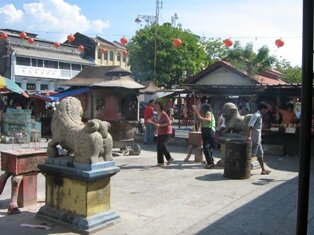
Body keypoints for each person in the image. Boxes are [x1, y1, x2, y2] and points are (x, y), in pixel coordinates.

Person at [247, 101, 271, 175]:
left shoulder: (259, 116)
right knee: (251, 155)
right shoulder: (256, 115)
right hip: (254, 138)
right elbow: (250, 126)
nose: (266, 111)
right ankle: (247, 171)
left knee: (260, 154)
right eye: (266, 110)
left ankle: (263, 170)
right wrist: (249, 137)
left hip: (258, 139)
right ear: (263, 108)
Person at [193, 103, 216, 169]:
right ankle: (210, 161)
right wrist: (198, 114)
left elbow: (209, 119)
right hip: (206, 130)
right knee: (207, 147)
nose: (201, 109)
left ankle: (210, 163)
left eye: (202, 108)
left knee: (206, 147)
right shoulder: (205, 114)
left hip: (209, 130)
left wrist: (200, 117)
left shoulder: (209, 113)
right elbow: (200, 119)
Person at [153, 100, 174, 167]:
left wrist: (160, 125)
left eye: (157, 105)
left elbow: (169, 123)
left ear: (160, 106)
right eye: (155, 105)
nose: (156, 107)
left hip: (166, 132)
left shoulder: (164, 113)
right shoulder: (156, 114)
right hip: (160, 132)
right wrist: (156, 130)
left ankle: (169, 158)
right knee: (158, 146)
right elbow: (157, 123)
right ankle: (160, 162)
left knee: (163, 145)